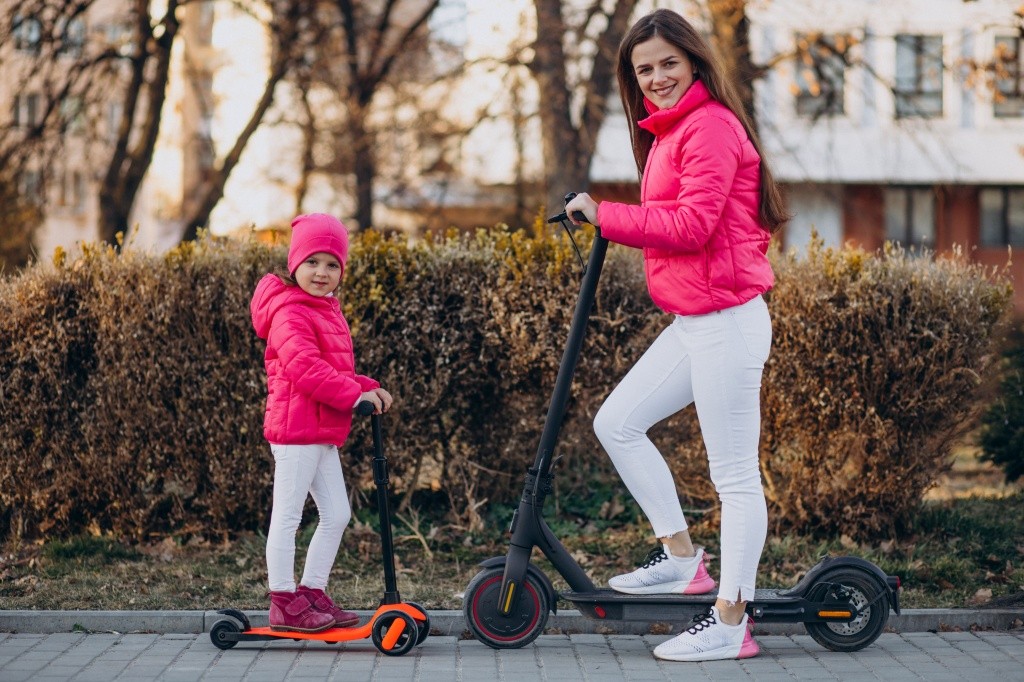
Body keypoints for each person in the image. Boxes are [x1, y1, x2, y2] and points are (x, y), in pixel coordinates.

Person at [564, 8, 788, 662]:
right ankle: (683, 558)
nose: (657, 77)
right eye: (644, 69)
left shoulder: (710, 127)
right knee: (618, 423)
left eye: (668, 63)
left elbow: (690, 226)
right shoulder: (671, 132)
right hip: (696, 321)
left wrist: (605, 215)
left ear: (693, 61)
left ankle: (730, 620)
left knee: (735, 479)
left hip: (727, 323)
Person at [250, 213, 393, 633]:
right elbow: (305, 369)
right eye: (313, 262)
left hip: (320, 429)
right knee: (289, 516)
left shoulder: (325, 308)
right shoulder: (290, 311)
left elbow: (333, 366)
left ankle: (311, 591)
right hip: (296, 431)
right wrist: (354, 395)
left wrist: (367, 385)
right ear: (295, 263)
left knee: (338, 513)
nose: (322, 273)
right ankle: (283, 600)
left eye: (332, 265)